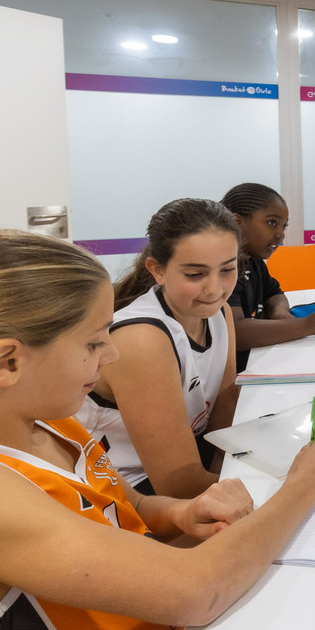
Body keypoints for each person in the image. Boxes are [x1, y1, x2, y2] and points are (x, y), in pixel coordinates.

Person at [0, 229, 315, 630]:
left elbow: (130, 506)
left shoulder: (46, 418)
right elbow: (197, 591)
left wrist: (183, 514)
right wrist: (303, 486)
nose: (112, 355)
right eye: (94, 342)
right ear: (6, 362)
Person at [76, 198, 242, 498]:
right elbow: (179, 487)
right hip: (122, 490)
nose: (215, 289)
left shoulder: (221, 312)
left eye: (227, 269)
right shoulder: (142, 340)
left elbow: (224, 405)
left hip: (185, 471)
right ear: (157, 270)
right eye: (195, 274)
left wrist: (233, 466)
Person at [221, 183, 315, 371]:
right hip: (234, 374)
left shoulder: (253, 261)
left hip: (258, 360)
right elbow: (236, 333)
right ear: (237, 222)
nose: (280, 234)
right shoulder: (223, 268)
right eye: (272, 223)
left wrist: (279, 313)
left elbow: (274, 293)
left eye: (284, 226)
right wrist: (307, 325)